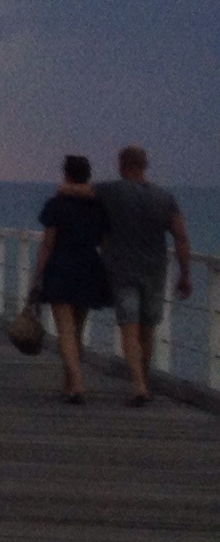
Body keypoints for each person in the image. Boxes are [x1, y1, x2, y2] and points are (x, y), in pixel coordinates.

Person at [93, 146, 195, 407]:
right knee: (147, 329)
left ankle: (138, 384)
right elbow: (181, 237)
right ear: (145, 165)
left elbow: (80, 191)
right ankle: (143, 381)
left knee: (129, 326)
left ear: (123, 163)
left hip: (122, 270)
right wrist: (185, 275)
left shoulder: (110, 190)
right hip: (155, 270)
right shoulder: (165, 197)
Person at [33, 154, 113, 406]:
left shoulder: (55, 204)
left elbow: (48, 244)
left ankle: (76, 383)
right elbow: (104, 243)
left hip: (61, 267)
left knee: (65, 331)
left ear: (66, 175)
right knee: (77, 331)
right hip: (88, 267)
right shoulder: (99, 207)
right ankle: (68, 384)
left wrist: (37, 276)